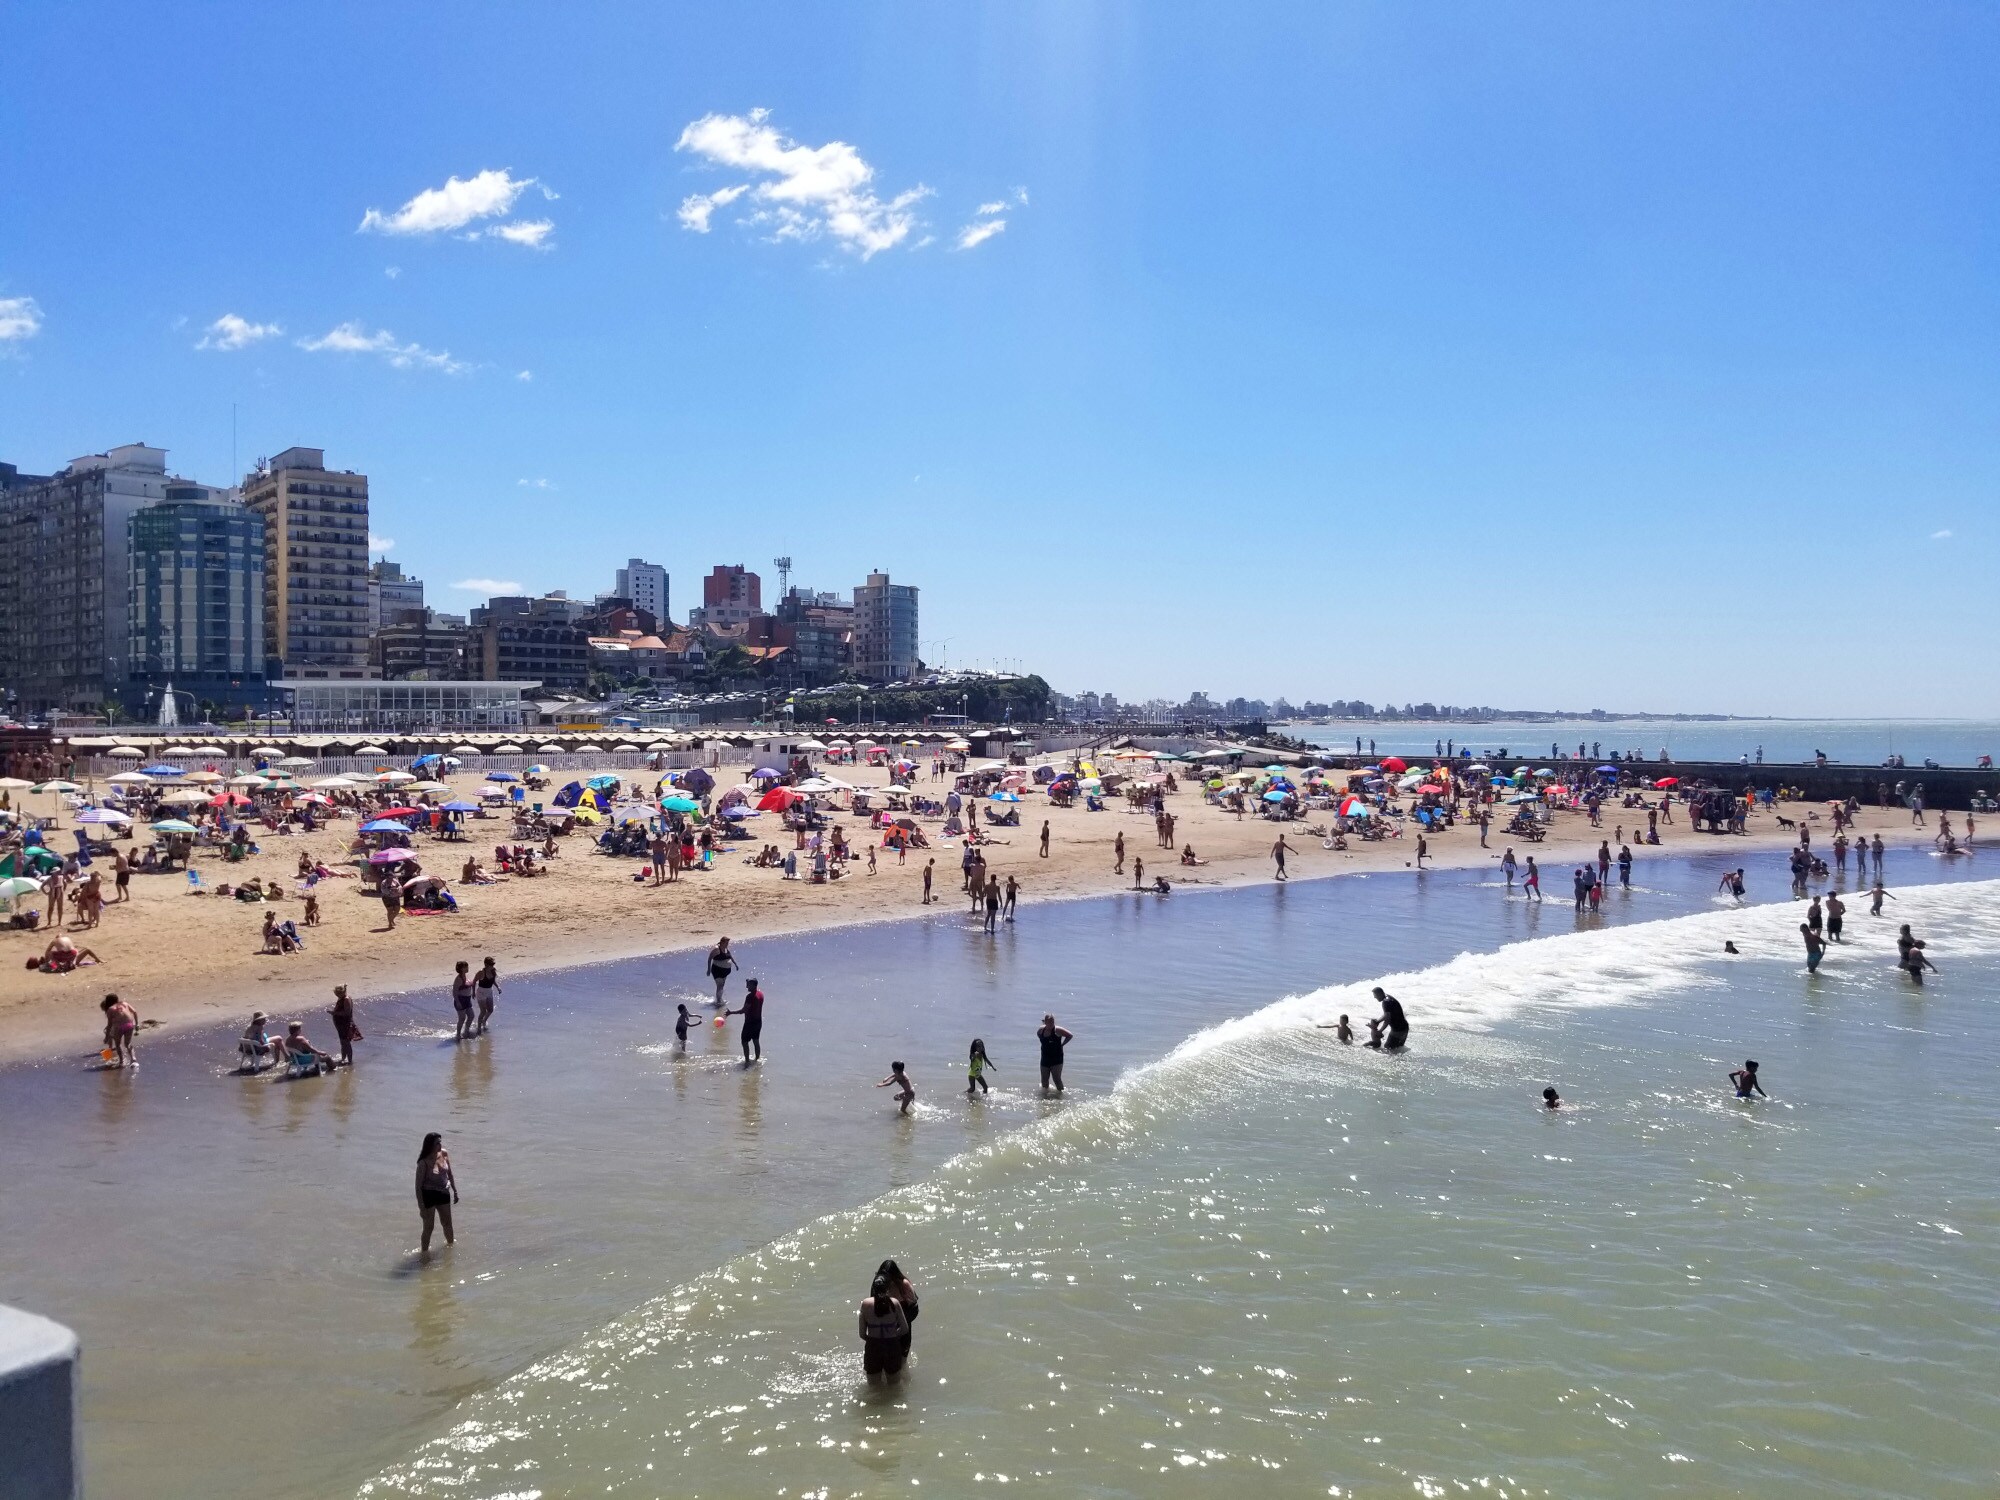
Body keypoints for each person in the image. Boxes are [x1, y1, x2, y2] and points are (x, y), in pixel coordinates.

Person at [858, 1275, 911, 1381]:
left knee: (873, 1387)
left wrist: (873, 1340)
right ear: (887, 1289)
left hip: (873, 1346)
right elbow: (905, 1329)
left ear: (873, 1289)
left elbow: (862, 1334)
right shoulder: (894, 1303)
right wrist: (893, 1336)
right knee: (894, 1385)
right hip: (892, 1345)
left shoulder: (865, 1304)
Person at [416, 1132, 458, 1255]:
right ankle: (424, 1254)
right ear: (430, 1145)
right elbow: (418, 1187)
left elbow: (449, 1174)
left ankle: (450, 1249)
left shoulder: (444, 1154)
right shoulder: (423, 1162)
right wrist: (421, 1207)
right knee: (429, 1227)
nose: (440, 1145)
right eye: (437, 1143)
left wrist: (455, 1190)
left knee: (447, 1224)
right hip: (429, 1195)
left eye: (440, 1142)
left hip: (444, 1192)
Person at [729, 978, 766, 1062]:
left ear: (753, 985)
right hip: (758, 1022)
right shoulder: (760, 994)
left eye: (748, 984)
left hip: (750, 1023)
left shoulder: (750, 997)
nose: (746, 987)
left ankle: (747, 1062)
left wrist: (730, 1012)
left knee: (744, 1042)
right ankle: (757, 1060)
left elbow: (743, 1011)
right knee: (756, 1041)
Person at [100, 993, 138, 1068]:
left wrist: (106, 1037)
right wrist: (136, 1024)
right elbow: (135, 1011)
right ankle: (133, 1059)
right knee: (128, 1044)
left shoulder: (110, 1009)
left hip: (119, 1027)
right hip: (129, 1025)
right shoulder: (124, 1003)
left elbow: (110, 1024)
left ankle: (122, 1061)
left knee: (117, 1044)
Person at [1038, 1013, 1073, 1093]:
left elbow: (1070, 1035)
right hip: (1045, 1058)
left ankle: (1060, 1095)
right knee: (1044, 1080)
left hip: (1057, 1059)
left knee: (1056, 1079)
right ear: (1045, 1022)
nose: (1051, 1024)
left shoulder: (1057, 1030)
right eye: (1049, 1022)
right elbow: (1039, 1036)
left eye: (1052, 1022)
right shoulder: (1041, 1030)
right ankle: (1045, 1097)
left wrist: (1062, 1044)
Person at [329, 984, 359, 1065]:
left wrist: (334, 1013)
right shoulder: (341, 998)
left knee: (346, 1042)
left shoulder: (346, 999)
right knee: (342, 1042)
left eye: (337, 994)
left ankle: (349, 1061)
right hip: (340, 1024)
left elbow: (347, 1013)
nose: (337, 996)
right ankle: (343, 1058)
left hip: (345, 1024)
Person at [473, 956, 501, 1035]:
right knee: (483, 1011)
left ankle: (484, 1021)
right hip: (481, 992)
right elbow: (474, 981)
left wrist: (498, 987)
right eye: (490, 965)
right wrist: (472, 992)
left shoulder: (493, 971)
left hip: (489, 991)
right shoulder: (481, 972)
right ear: (486, 964)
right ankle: (478, 1028)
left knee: (490, 1010)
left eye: (493, 964)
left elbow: (493, 981)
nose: (492, 966)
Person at [706, 937, 738, 1005]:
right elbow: (709, 959)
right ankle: (718, 1001)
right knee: (719, 985)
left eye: (728, 943)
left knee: (722, 985)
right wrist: (708, 970)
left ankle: (719, 999)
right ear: (722, 942)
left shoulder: (726, 949)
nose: (727, 944)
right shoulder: (717, 949)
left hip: (725, 972)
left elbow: (730, 956)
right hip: (717, 970)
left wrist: (735, 964)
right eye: (726, 943)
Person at [450, 960, 476, 1041]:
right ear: (462, 969)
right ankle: (458, 1034)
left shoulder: (465, 977)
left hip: (467, 1000)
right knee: (462, 1018)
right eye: (466, 967)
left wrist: (472, 993)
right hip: (460, 1000)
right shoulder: (458, 979)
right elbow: (454, 991)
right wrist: (458, 1002)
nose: (468, 968)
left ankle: (466, 1031)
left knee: (471, 1016)